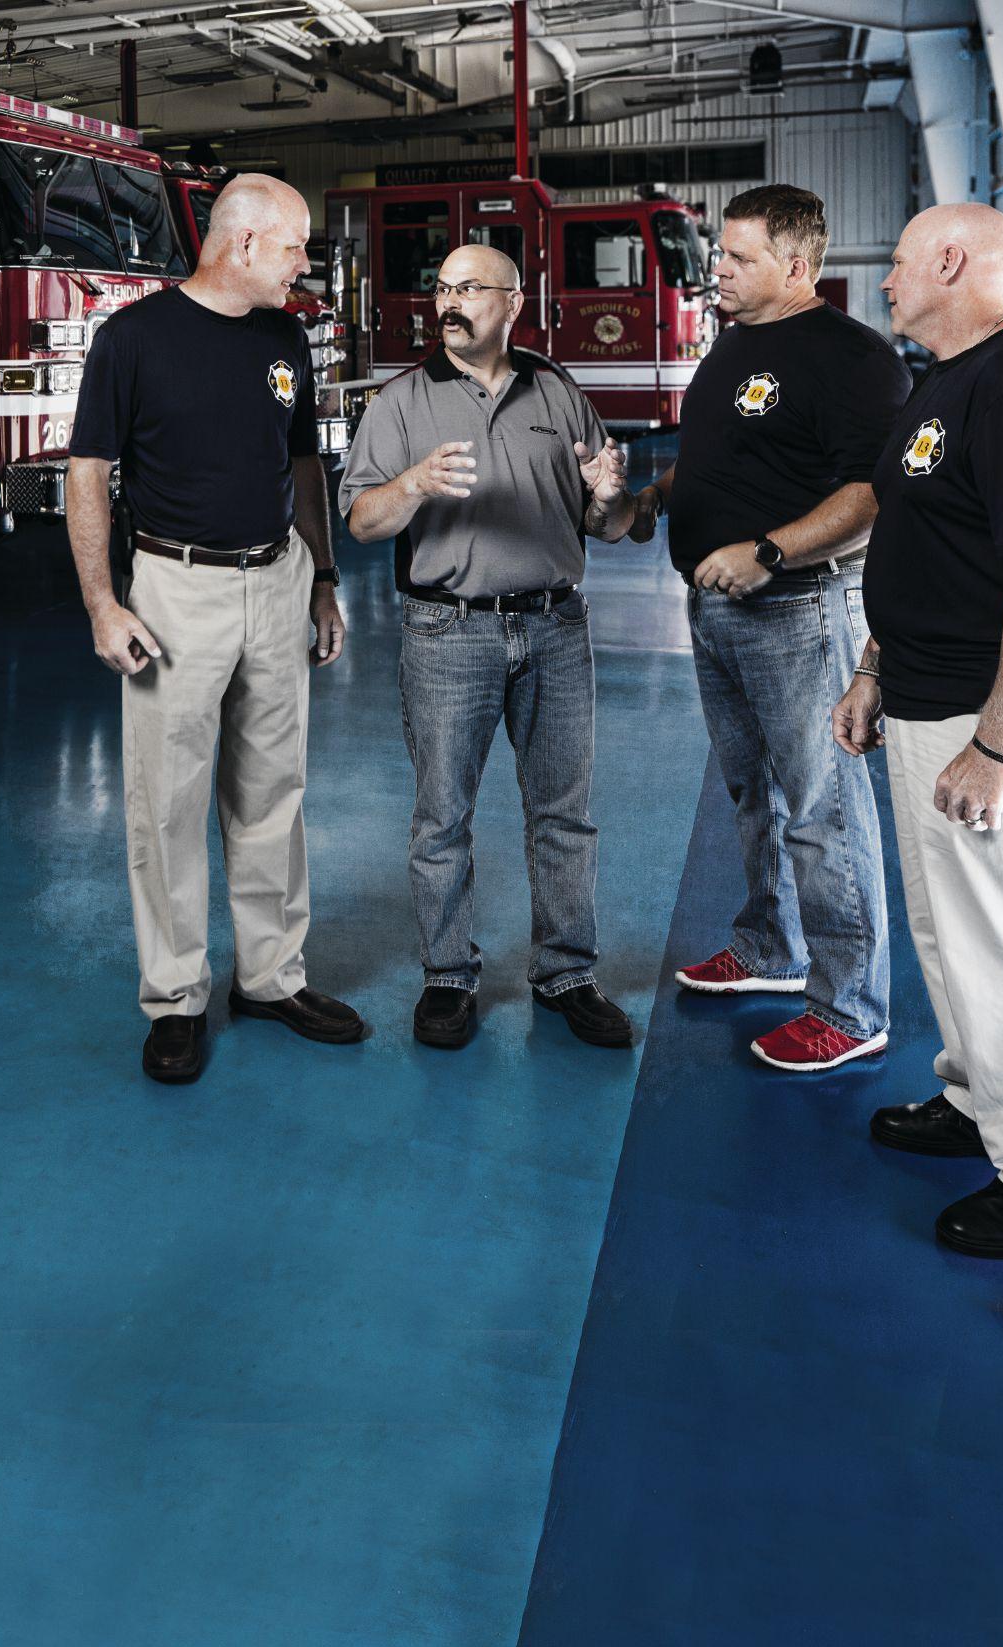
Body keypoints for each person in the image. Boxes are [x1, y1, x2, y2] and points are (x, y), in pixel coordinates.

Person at [66, 175, 363, 1084]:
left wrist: (321, 579)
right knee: (168, 803)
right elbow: (88, 472)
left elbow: (304, 464)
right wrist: (102, 604)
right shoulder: (132, 339)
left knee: (273, 791)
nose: (305, 263)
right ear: (243, 243)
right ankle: (176, 998)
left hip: (276, 580)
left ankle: (270, 978)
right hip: (175, 590)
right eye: (295, 246)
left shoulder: (285, 337)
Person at [835, 202, 1003, 1258]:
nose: (886, 280)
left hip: (993, 722)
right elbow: (919, 541)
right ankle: (982, 1097)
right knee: (949, 935)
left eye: (898, 263)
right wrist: (872, 668)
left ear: (950, 261)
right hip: (925, 702)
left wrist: (998, 744)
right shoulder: (942, 381)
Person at [624, 184, 911, 1071]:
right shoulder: (735, 344)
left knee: (823, 809)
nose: (719, 268)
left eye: (737, 257)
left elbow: (872, 493)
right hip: (716, 610)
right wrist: (653, 495)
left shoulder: (853, 359)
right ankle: (771, 946)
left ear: (794, 267)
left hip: (798, 609)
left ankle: (852, 1006)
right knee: (755, 795)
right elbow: (722, 459)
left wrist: (770, 552)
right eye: (721, 252)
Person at [337, 243, 635, 1050]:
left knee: (564, 813)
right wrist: (413, 484)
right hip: (447, 630)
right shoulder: (399, 401)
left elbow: (608, 524)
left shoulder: (558, 391)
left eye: (468, 288)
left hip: (555, 627)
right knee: (442, 816)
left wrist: (609, 497)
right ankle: (447, 974)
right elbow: (361, 521)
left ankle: (566, 971)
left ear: (513, 302)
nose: (449, 302)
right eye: (441, 287)